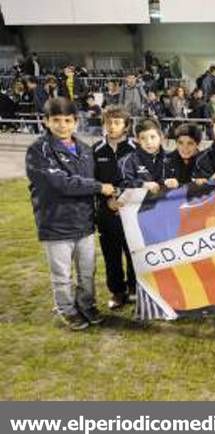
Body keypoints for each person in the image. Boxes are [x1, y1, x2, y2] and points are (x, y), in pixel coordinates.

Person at [25, 97, 115, 330]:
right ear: (45, 121)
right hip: (56, 224)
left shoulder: (85, 149)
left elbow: (93, 179)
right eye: (56, 120)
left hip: (83, 222)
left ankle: (87, 305)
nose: (62, 125)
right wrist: (99, 187)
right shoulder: (38, 150)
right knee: (62, 275)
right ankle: (66, 309)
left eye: (67, 120)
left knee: (87, 272)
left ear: (76, 121)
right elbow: (60, 183)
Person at [93, 105, 137, 309]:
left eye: (117, 122)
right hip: (106, 213)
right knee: (111, 255)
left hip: (132, 212)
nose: (112, 126)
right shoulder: (95, 150)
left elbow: (142, 178)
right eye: (108, 122)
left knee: (134, 253)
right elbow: (91, 182)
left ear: (126, 126)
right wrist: (106, 202)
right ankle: (117, 292)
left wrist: (126, 199)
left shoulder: (136, 148)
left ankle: (135, 289)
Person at [118, 118, 167, 193]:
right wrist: (142, 185)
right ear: (137, 140)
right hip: (139, 203)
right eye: (143, 138)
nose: (149, 142)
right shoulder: (128, 161)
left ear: (160, 137)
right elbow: (121, 184)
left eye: (152, 137)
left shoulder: (170, 158)